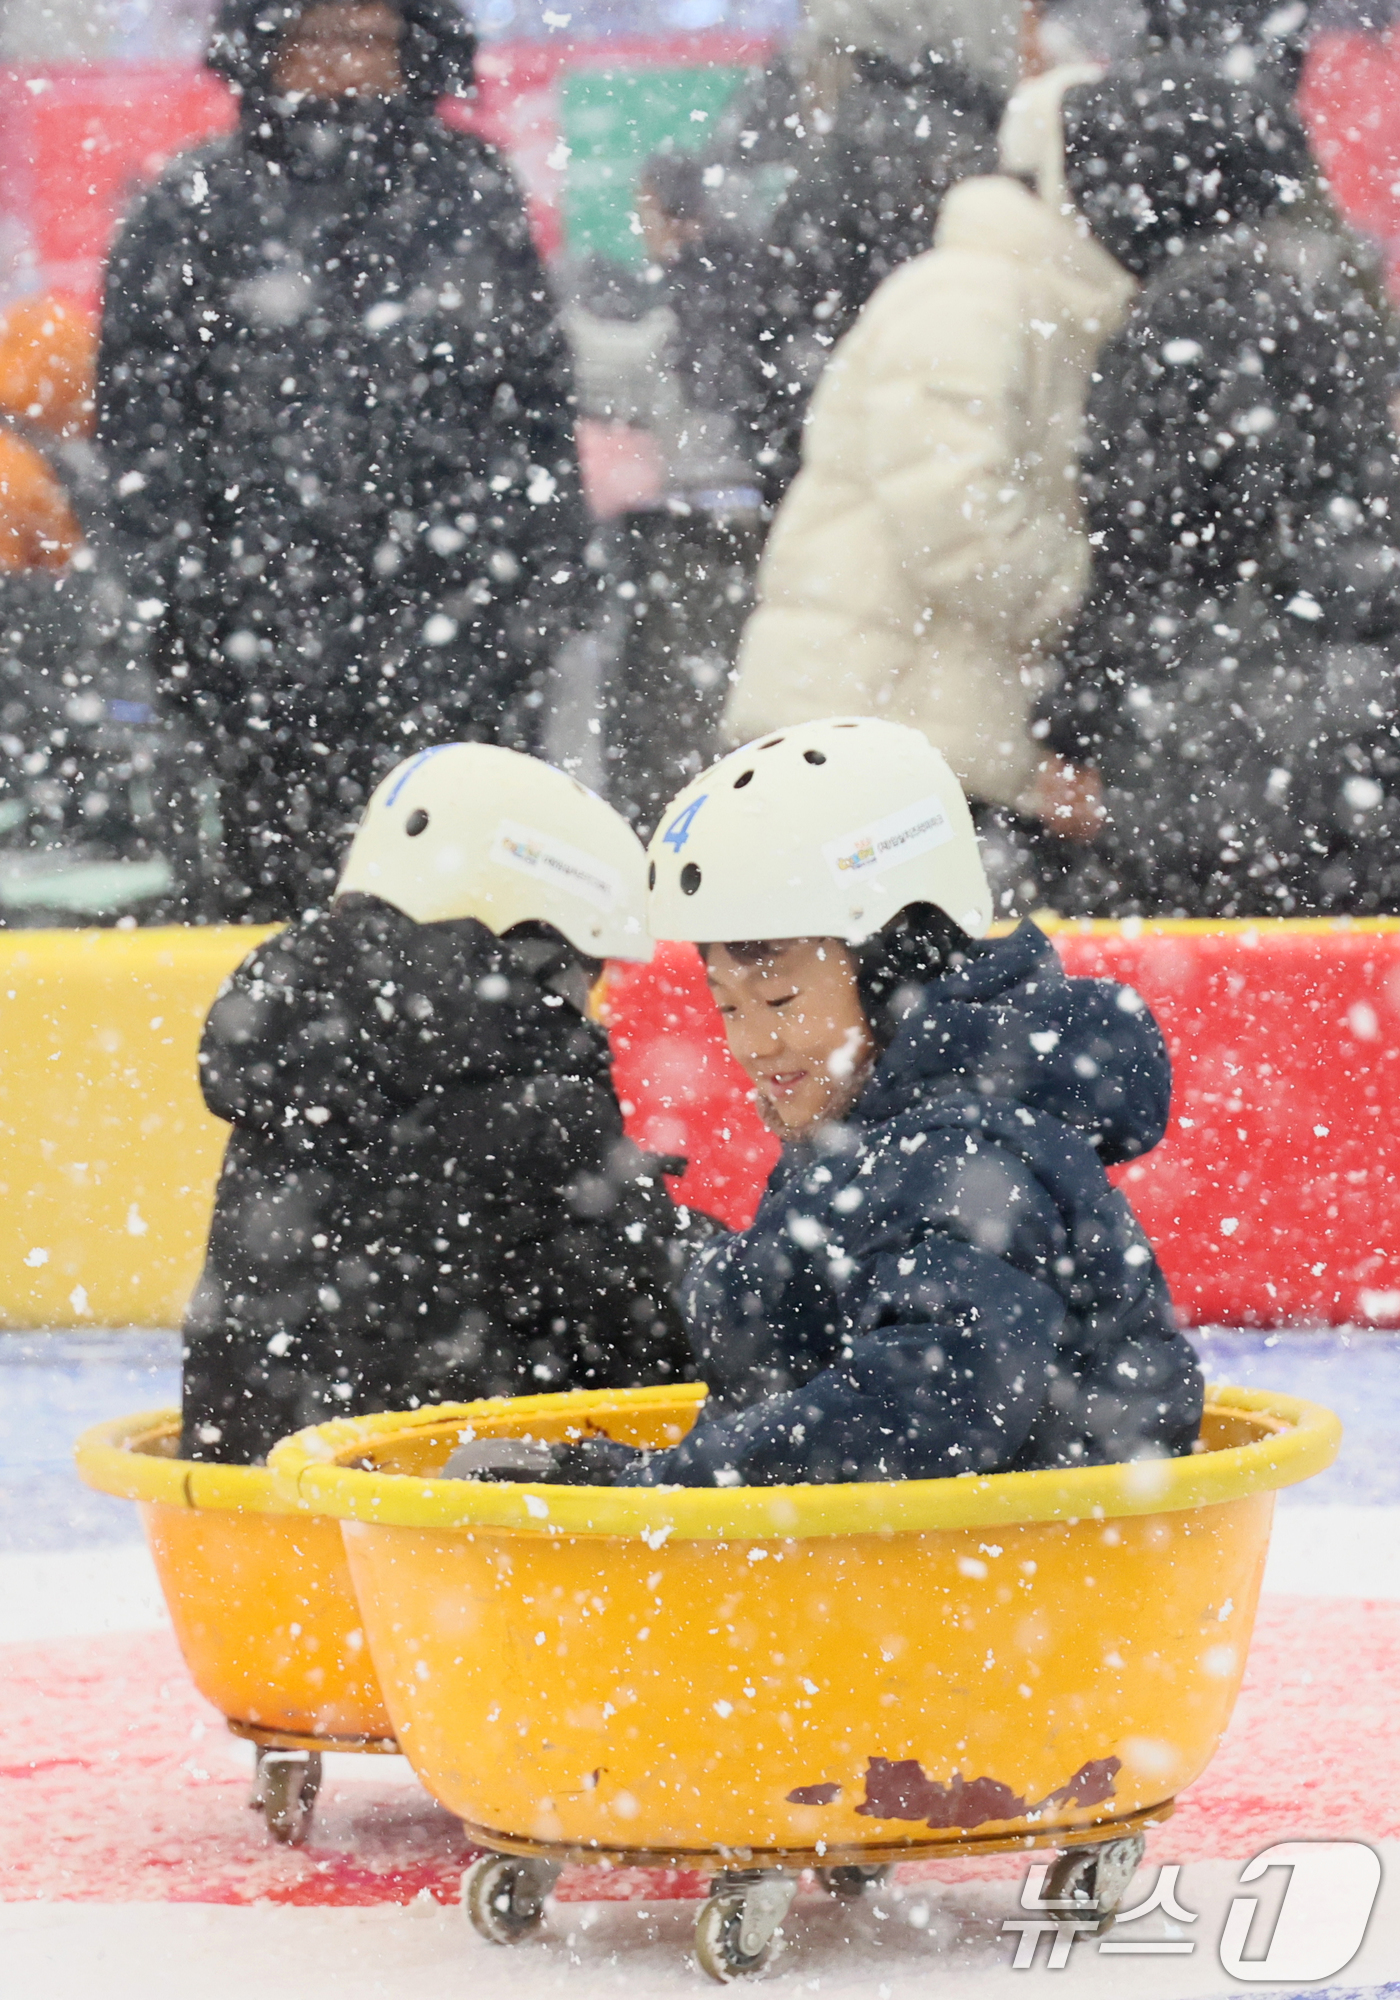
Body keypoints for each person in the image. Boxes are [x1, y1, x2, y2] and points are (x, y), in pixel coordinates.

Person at [456, 717, 1201, 1490]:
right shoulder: (877, 1137)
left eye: (778, 997)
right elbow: (792, 1342)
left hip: (1015, 1586)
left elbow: (920, 1408)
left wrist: (654, 1487)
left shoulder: (963, 1161)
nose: (755, 1043)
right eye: (729, 1007)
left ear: (896, 972)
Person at [98, 0, 585, 922]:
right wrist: (189, 612)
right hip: (261, 655)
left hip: (457, 640)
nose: (345, 63)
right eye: (316, 35)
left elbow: (535, 407)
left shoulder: (471, 195)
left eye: (371, 37)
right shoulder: (194, 206)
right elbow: (143, 434)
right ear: (263, 45)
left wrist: (539, 585)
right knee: (284, 927)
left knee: (457, 924)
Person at [180, 742, 693, 1465]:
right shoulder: (543, 1115)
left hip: (258, 1530)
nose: (593, 1008)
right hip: (442, 1549)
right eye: (593, 970)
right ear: (540, 945)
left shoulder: (293, 1066)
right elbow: (658, 1366)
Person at [724, 65, 1139, 915]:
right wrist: (1081, 597)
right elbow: (956, 520)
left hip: (904, 731)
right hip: (869, 729)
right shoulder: (972, 294)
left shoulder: (1038, 300)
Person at [1041, 57, 1400, 915]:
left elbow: (1150, 552)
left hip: (1222, 750)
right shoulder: (1321, 292)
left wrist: (1074, 717)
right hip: (1336, 724)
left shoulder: (1194, 317)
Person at [745, 0, 1020, 504]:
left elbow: (781, 363)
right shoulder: (996, 151)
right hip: (983, 487)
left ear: (841, 57)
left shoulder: (838, 171)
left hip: (869, 502)